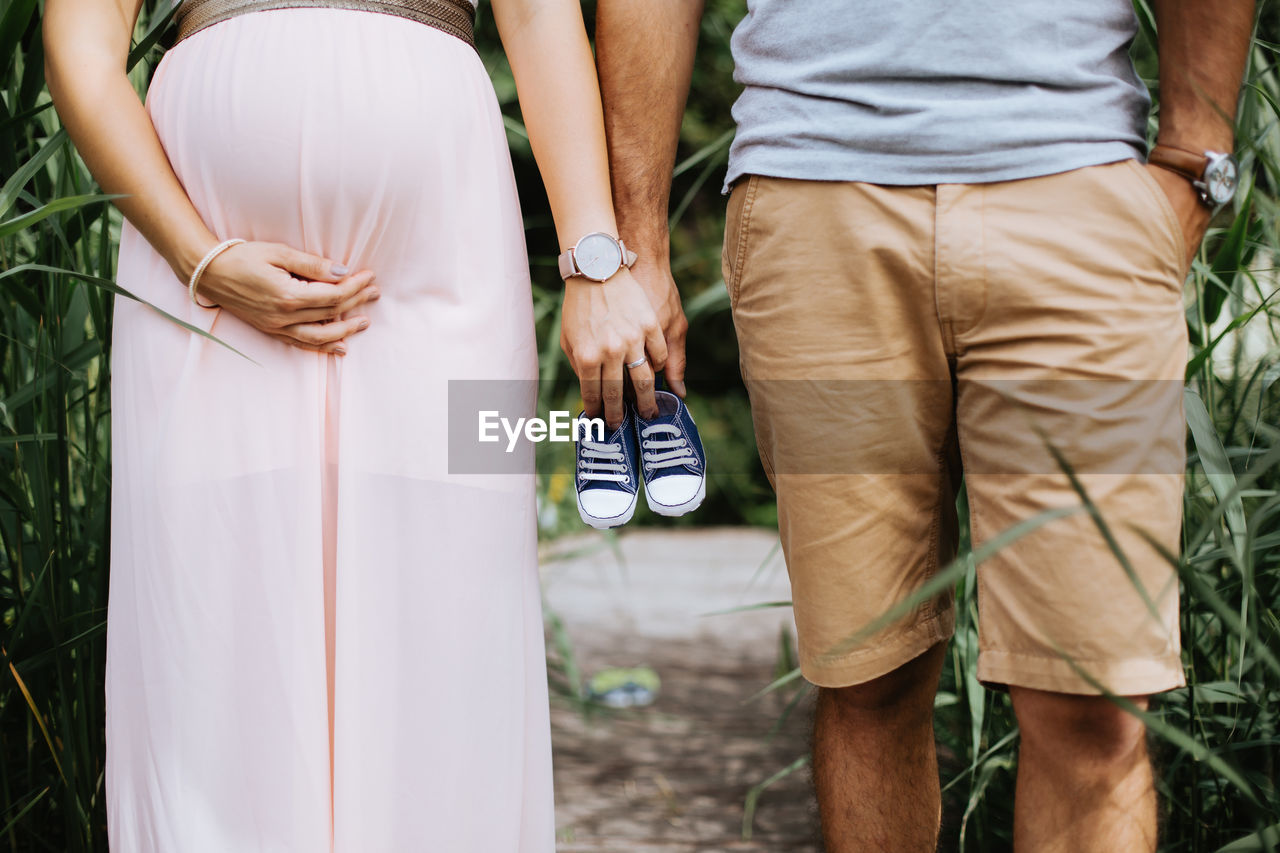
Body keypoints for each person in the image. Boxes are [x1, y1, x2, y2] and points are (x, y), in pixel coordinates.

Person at [594, 0, 1252, 849]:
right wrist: (638, 244)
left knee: (1097, 702)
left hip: (1079, 195)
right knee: (869, 677)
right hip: (817, 195)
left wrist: (1197, 154)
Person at [43, 0, 665, 847]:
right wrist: (201, 259)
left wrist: (595, 258)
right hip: (197, 280)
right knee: (217, 639)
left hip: (450, 264)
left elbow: (536, 12)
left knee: (450, 626)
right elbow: (80, 46)